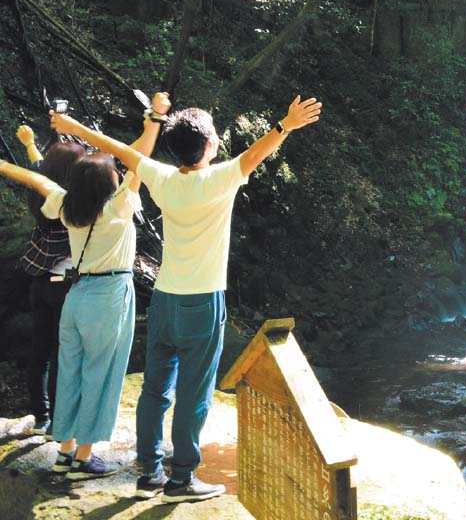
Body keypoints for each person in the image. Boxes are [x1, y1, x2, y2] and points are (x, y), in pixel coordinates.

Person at [49, 95, 322, 503]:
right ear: (210, 145)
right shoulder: (221, 178)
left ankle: (150, 473)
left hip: (164, 299)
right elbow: (255, 153)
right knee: (194, 394)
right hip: (203, 303)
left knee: (156, 389)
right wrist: (285, 125)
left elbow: (115, 147)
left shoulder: (161, 178)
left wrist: (71, 124)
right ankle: (181, 480)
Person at [0, 91, 170, 480]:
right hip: (108, 299)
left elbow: (35, 177)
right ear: (109, 184)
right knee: (100, 374)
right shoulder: (118, 208)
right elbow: (138, 160)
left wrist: (7, 164)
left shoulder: (66, 204)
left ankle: (64, 450)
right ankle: (84, 459)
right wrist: (153, 122)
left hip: (75, 297)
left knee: (72, 370)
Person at [15, 126, 85, 437]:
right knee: (62, 355)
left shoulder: (37, 193)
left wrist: (30, 144)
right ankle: (59, 423)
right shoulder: (75, 203)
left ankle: (42, 417)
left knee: (39, 352)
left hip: (39, 281)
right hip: (65, 284)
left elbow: (37, 171)